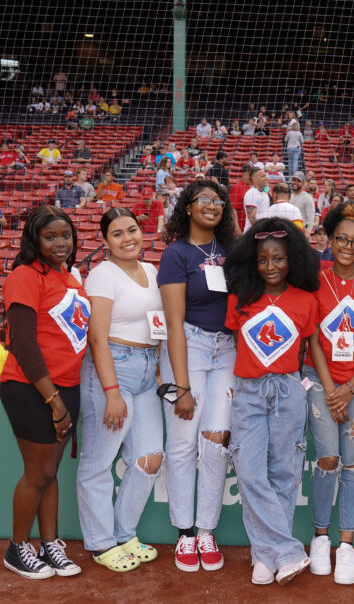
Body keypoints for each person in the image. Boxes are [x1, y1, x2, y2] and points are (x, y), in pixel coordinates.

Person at [223, 217, 320, 586]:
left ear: (292, 258)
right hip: (248, 392)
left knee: (285, 472)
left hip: (288, 390)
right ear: (253, 260)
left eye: (278, 259)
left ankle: (263, 556)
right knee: (249, 471)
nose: (271, 267)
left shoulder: (306, 300)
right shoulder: (240, 298)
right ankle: (288, 552)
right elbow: (235, 340)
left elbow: (306, 348)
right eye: (262, 260)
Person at [0, 206, 90, 580]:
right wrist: (52, 400)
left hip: (67, 386)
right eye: (50, 236)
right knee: (37, 473)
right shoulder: (24, 276)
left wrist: (62, 397)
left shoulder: (69, 278)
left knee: (50, 473)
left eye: (65, 236)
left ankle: (50, 544)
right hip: (30, 387)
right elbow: (22, 341)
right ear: (34, 239)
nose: (60, 243)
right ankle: (18, 547)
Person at [157, 179, 238, 572]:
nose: (212, 205)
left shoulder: (231, 251)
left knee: (216, 441)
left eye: (218, 200)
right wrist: (182, 385)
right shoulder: (176, 254)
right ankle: (184, 532)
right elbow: (173, 323)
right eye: (203, 199)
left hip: (228, 350)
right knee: (184, 442)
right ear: (187, 207)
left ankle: (207, 529)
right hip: (189, 346)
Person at [77, 208, 163, 572]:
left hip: (146, 372)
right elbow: (96, 335)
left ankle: (124, 533)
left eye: (132, 230)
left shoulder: (152, 270)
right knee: (99, 462)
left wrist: (157, 368)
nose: (128, 238)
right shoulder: (101, 274)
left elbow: (155, 325)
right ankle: (100, 542)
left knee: (150, 458)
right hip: (112, 368)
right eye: (117, 233)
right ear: (105, 241)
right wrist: (111, 391)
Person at [304, 203, 354, 585]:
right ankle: (320, 537)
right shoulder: (314, 279)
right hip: (320, 381)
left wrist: (351, 386)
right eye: (341, 239)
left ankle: (347, 545)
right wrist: (332, 388)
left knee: (352, 463)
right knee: (328, 459)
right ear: (329, 238)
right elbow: (314, 338)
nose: (349, 247)